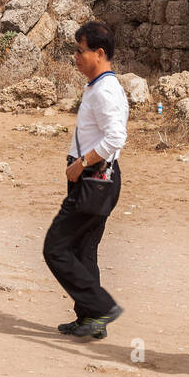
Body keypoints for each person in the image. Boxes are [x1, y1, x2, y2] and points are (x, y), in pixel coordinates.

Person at [43, 19, 129, 340]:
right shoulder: (98, 87)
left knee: (56, 248)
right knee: (83, 250)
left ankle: (102, 306)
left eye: (81, 51)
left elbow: (115, 138)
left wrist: (80, 164)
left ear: (100, 53)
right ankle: (90, 320)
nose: (76, 57)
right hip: (97, 179)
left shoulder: (105, 91)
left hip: (95, 179)